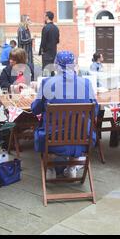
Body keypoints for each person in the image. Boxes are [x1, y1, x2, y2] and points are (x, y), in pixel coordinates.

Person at [31, 51, 98, 179]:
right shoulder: (86, 84)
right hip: (82, 138)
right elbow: (94, 111)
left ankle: (50, 168)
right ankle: (72, 166)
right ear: (74, 66)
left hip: (51, 138)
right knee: (79, 128)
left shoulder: (47, 83)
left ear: (56, 66)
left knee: (44, 130)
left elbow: (35, 110)